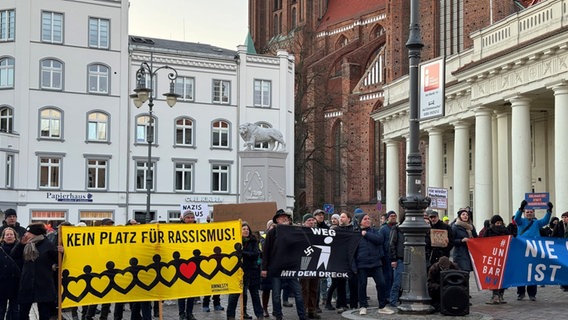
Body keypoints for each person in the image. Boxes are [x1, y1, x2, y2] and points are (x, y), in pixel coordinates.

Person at [261, 209, 306, 320]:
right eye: (282, 217)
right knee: (276, 295)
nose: (284, 218)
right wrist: (264, 268)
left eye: (286, 217)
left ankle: (302, 316)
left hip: (291, 268)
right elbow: (266, 251)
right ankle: (279, 316)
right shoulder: (272, 233)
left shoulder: (294, 231)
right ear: (277, 220)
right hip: (276, 269)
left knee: (298, 293)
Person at [11, 223, 58, 320]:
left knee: (44, 315)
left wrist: (61, 252)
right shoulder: (25, 243)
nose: (26, 234)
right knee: (23, 314)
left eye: (29, 232)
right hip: (27, 283)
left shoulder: (48, 245)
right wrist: (20, 244)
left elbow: (58, 260)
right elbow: (13, 255)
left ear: (36, 233)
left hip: (43, 284)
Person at [354, 213, 395, 316]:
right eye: (365, 219)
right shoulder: (355, 233)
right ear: (360, 222)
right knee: (362, 285)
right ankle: (363, 306)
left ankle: (382, 306)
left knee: (381, 283)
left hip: (376, 263)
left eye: (368, 218)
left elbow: (379, 240)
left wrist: (366, 234)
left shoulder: (375, 231)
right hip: (362, 263)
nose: (368, 220)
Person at [514, 200, 552, 301]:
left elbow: (545, 221)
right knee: (522, 272)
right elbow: (516, 218)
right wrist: (520, 209)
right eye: (527, 212)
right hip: (522, 250)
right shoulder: (521, 222)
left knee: (533, 272)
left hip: (534, 250)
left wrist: (549, 211)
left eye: (531, 212)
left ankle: (532, 294)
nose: (529, 213)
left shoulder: (536, 222)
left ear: (533, 213)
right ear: (524, 213)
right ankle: (521, 293)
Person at [227, 222, 264, 320]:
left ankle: (259, 315)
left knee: (254, 294)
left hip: (252, 272)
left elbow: (255, 254)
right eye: (243, 229)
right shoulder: (235, 242)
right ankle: (230, 316)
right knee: (234, 295)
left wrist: (242, 253)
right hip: (238, 273)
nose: (246, 230)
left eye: (247, 229)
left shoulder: (253, 241)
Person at [483, 215, 510, 304]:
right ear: (493, 223)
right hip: (493, 257)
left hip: (504, 257)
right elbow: (483, 242)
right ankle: (495, 295)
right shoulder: (489, 231)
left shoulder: (506, 231)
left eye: (500, 223)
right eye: (497, 223)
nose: (498, 225)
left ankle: (501, 295)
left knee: (503, 277)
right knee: (494, 276)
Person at [335, 212, 358, 312]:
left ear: (349, 219)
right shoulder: (335, 230)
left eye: (343, 217)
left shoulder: (354, 230)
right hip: (340, 260)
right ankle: (342, 304)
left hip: (351, 260)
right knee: (340, 284)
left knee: (353, 283)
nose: (341, 219)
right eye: (340, 217)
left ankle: (353, 304)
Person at [299, 214, 320, 319]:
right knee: (305, 288)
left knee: (314, 287)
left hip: (315, 261)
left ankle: (312, 310)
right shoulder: (300, 232)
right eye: (309, 220)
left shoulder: (318, 233)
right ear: (304, 222)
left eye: (313, 220)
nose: (311, 222)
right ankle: (304, 310)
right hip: (305, 261)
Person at [178, 210, 197, 320]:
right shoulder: (178, 229)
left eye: (191, 217)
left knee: (192, 290)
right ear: (184, 219)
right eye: (188, 218)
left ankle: (190, 312)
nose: (190, 219)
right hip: (181, 263)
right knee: (182, 291)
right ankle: (181, 313)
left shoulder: (198, 229)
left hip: (194, 263)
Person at [1, 227, 21, 320]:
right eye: (7, 234)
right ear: (3, 237)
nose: (9, 236)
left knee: (15, 310)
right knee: (1, 309)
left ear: (15, 236)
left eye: (11, 234)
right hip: (2, 284)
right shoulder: (1, 249)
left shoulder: (21, 248)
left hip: (16, 284)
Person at [378, 211, 397, 307]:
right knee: (387, 278)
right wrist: (381, 257)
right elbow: (380, 243)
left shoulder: (398, 228)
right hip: (386, 258)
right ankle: (387, 296)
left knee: (394, 278)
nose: (393, 218)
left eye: (394, 216)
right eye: (391, 216)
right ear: (387, 218)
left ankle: (393, 296)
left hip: (395, 257)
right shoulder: (383, 229)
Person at [312, 209, 328, 311]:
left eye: (322, 215)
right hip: (311, 256)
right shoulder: (312, 227)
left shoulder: (326, 227)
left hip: (322, 257)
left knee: (318, 282)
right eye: (319, 215)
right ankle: (311, 305)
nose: (321, 216)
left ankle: (316, 304)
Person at [451, 208, 477, 273]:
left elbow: (476, 237)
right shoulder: (455, 227)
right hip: (460, 254)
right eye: (463, 214)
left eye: (467, 215)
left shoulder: (471, 227)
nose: (465, 216)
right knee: (462, 273)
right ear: (460, 216)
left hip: (470, 253)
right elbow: (452, 241)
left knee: (466, 274)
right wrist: (461, 240)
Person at [260, 220, 275, 318]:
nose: (274, 228)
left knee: (276, 290)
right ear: (268, 227)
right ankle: (264, 308)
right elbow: (263, 249)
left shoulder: (279, 236)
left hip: (276, 266)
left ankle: (276, 309)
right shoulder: (263, 237)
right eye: (272, 226)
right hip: (266, 266)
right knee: (266, 289)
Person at [388, 215, 405, 307]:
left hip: (406, 258)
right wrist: (393, 259)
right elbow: (392, 244)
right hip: (400, 259)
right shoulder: (397, 229)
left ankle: (398, 300)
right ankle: (393, 301)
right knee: (397, 282)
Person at [552, 211, 568, 291]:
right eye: (563, 217)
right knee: (562, 266)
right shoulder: (559, 225)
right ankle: (563, 284)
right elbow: (553, 235)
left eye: (566, 217)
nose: (564, 219)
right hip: (561, 248)